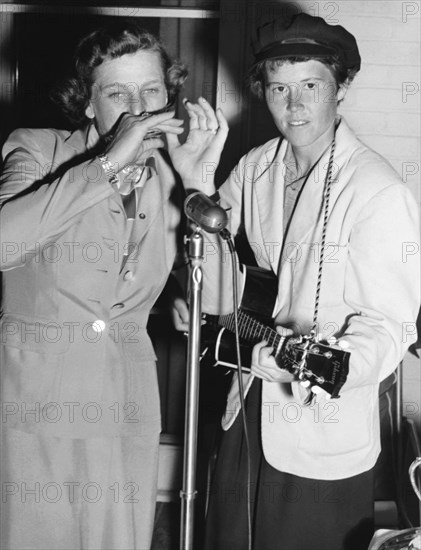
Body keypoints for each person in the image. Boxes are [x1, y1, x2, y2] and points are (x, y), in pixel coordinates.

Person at [188, 12, 420, 550]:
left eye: (311, 86)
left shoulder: (377, 191)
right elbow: (209, 265)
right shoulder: (256, 167)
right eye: (279, 89)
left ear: (340, 88)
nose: (294, 106)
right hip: (247, 403)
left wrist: (326, 366)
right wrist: (196, 181)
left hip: (322, 414)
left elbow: (388, 327)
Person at [0, 20, 227, 550]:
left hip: (126, 402)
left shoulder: (175, 175)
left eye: (152, 91)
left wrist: (199, 182)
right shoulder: (38, 151)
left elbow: (219, 301)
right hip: (37, 404)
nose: (140, 108)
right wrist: (106, 165)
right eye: (117, 93)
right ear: (86, 103)